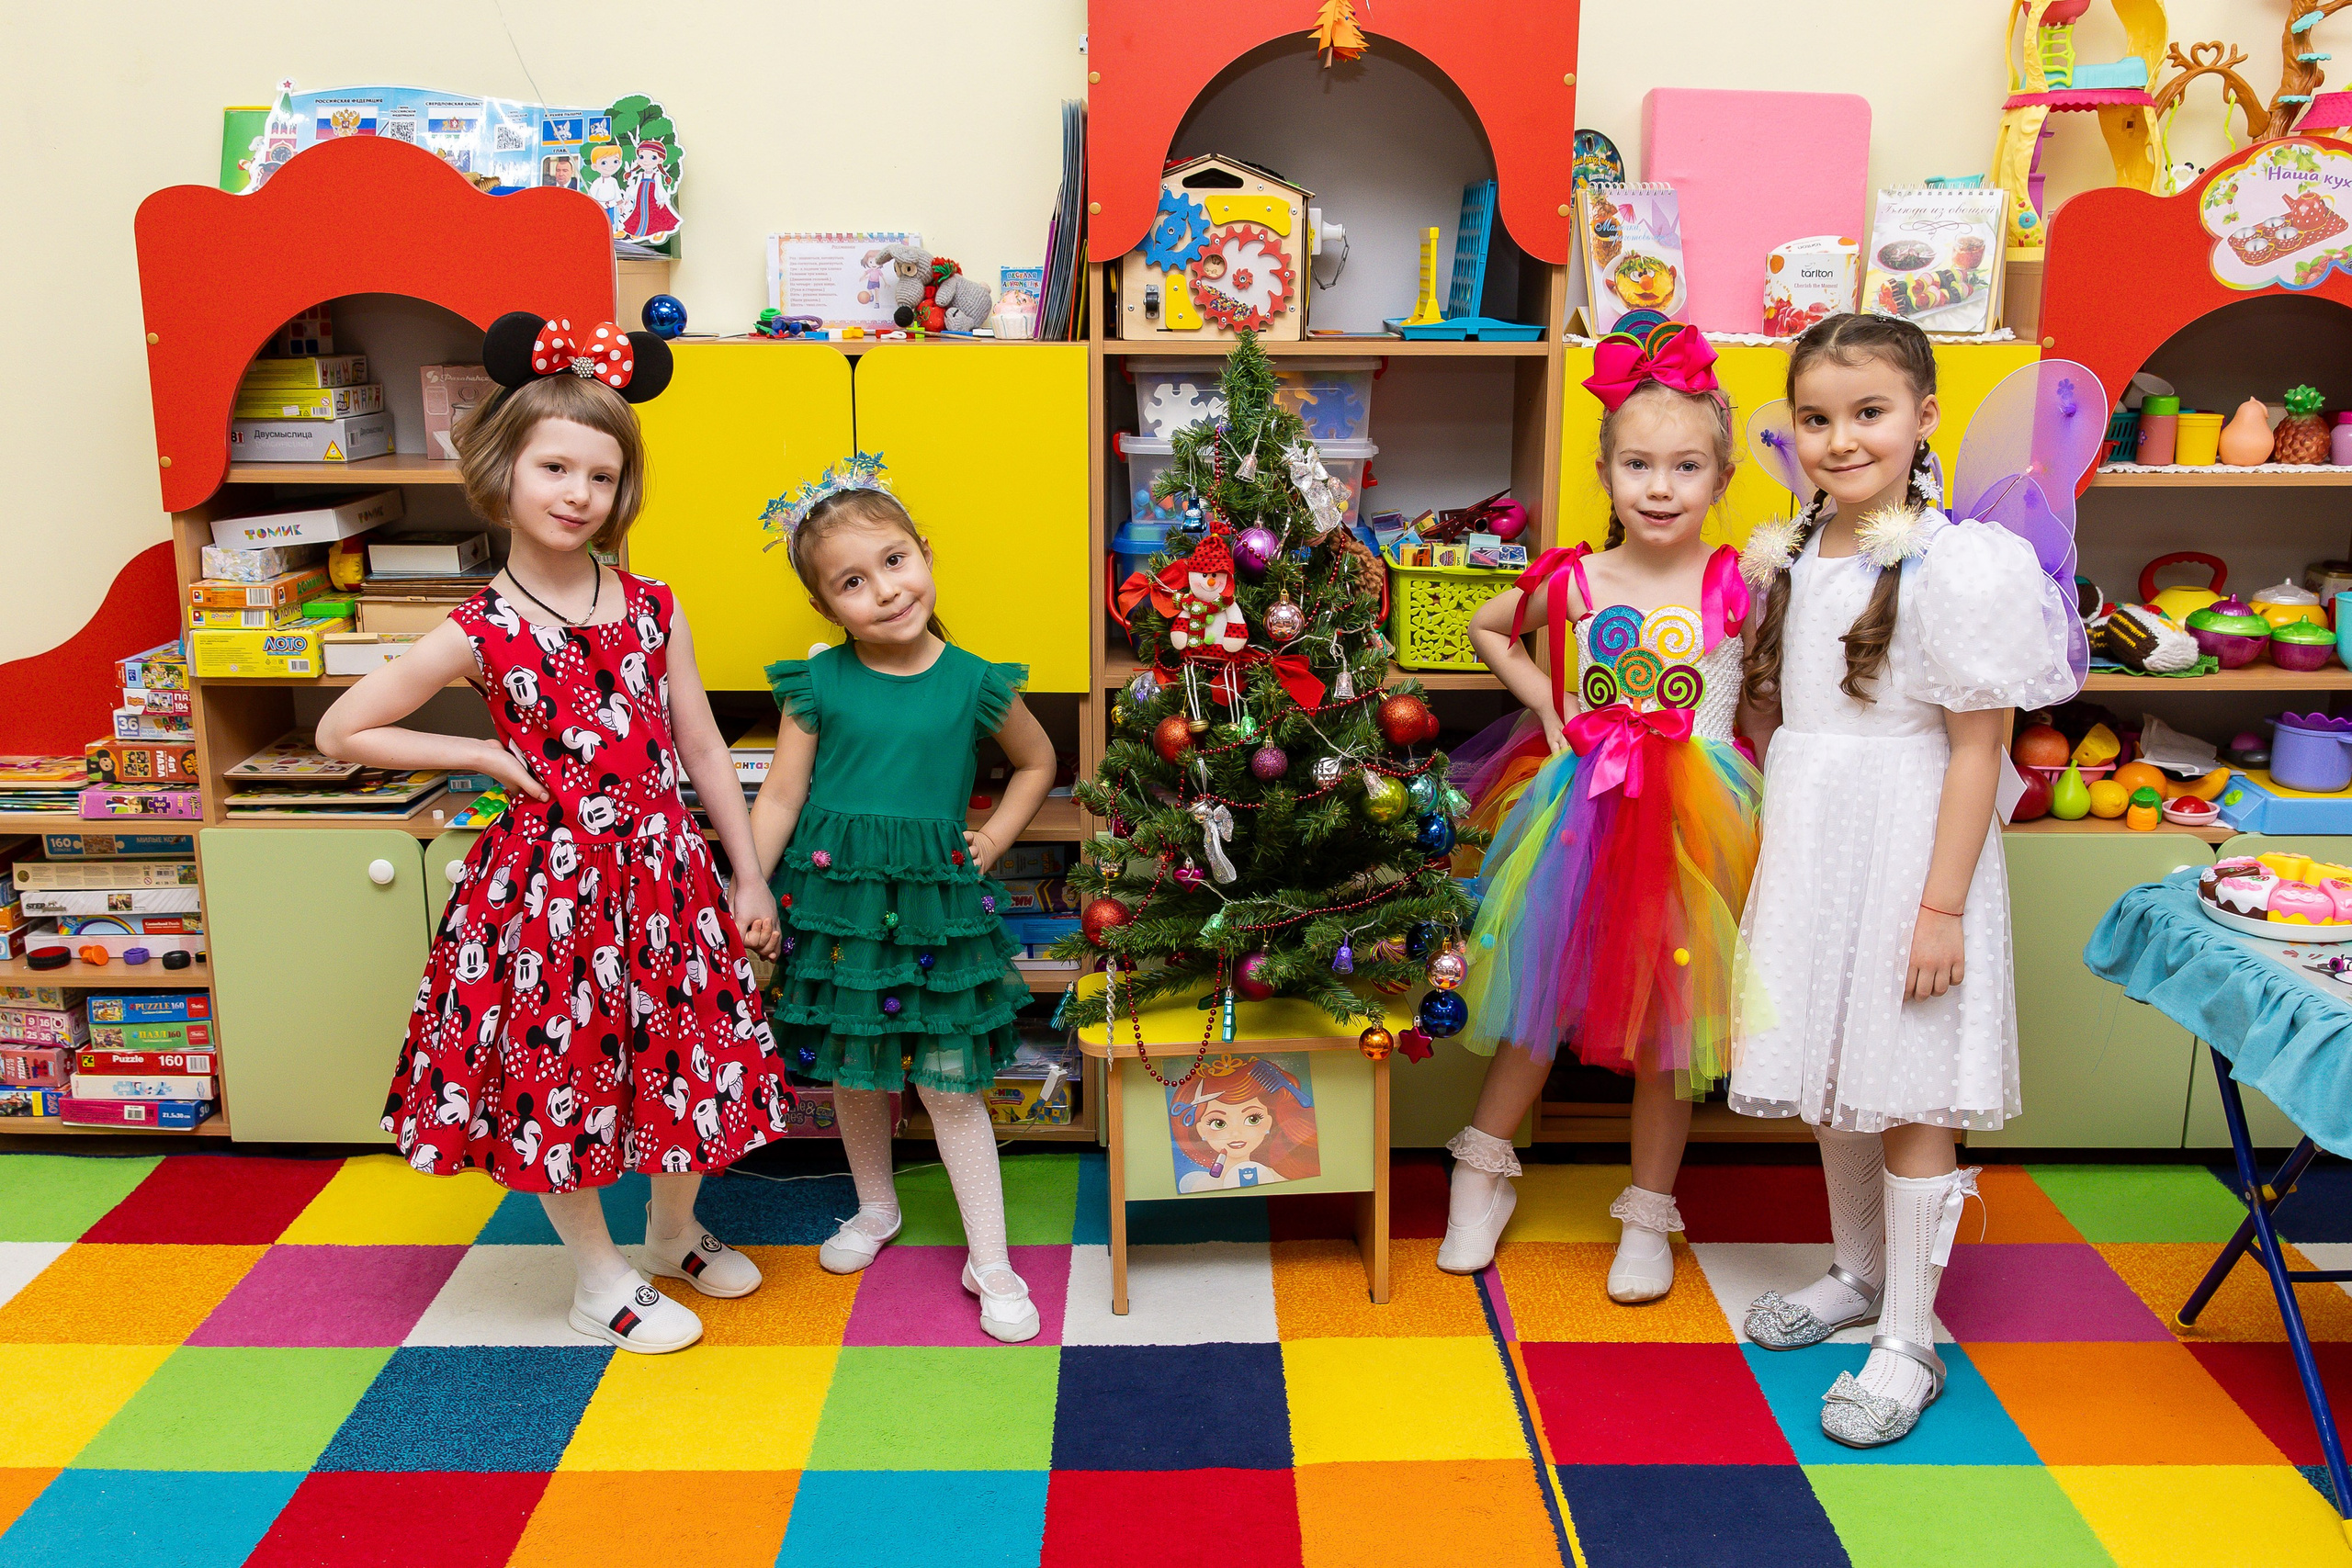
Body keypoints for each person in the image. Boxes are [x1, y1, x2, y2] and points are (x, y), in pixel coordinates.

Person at [319, 313, 791, 1357]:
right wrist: (484, 757)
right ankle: (598, 1277)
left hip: (667, 881)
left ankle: (671, 1232)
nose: (579, 493)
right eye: (555, 467)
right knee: (561, 1075)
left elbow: (704, 748)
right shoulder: (479, 627)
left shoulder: (655, 605)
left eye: (602, 476)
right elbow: (341, 729)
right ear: (505, 469)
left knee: (688, 1057)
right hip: (552, 890)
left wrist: (748, 875)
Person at [1730, 312, 2075, 1448]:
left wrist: (1938, 910)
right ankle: (1857, 1272)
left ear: (1923, 417)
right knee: (1833, 1076)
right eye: (1816, 417)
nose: (1840, 439)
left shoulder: (1959, 566)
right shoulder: (1792, 554)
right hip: (1818, 844)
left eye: (1868, 413)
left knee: (1911, 1093)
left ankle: (1910, 1340)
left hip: (1912, 852)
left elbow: (1978, 749)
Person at [1439, 324, 1762, 1303]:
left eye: (1686, 466)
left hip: (1696, 829)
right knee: (1535, 997)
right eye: (1638, 465)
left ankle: (1648, 1212)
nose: (1660, 488)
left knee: (1671, 1026)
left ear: (1721, 476)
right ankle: (1480, 1173)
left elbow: (1761, 699)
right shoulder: (1576, 579)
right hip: (1579, 819)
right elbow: (1486, 626)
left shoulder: (1738, 583)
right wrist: (1549, 704)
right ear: (1606, 471)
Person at [751, 457, 1055, 1343]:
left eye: (894, 561)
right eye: (852, 581)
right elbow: (780, 794)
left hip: (933, 906)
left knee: (949, 1083)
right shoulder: (817, 682)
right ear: (823, 604)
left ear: (924, 551)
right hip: (838, 898)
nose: (884, 590)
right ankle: (876, 1206)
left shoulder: (975, 680)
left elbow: (1037, 760)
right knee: (856, 1067)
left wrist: (993, 837)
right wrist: (749, 885)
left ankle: (989, 1257)